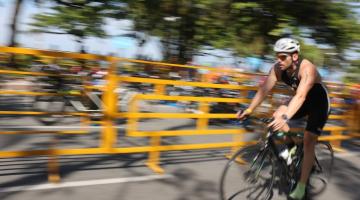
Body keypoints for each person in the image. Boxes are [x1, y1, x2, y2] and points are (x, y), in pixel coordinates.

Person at [237, 38, 330, 200]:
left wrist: (286, 117)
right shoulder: (277, 69)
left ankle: (301, 186)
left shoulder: (307, 69)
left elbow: (300, 96)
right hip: (302, 101)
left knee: (308, 140)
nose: (278, 61)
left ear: (294, 56)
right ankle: (292, 146)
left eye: (282, 57)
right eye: (277, 56)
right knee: (276, 115)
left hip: (319, 103)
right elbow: (264, 89)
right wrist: (250, 109)